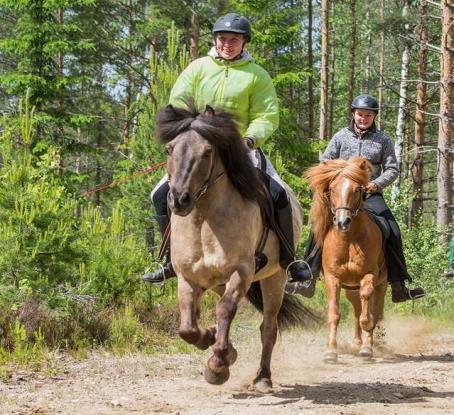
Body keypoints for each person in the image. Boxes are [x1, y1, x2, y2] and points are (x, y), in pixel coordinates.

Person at [142, 13, 310, 283]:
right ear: (215, 40)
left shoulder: (257, 75)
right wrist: (189, 133)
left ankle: (290, 259)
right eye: (222, 39)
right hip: (198, 148)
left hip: (241, 149)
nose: (227, 44)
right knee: (159, 194)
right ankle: (168, 259)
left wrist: (250, 139)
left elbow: (267, 115)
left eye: (234, 39)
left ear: (244, 42)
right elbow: (178, 102)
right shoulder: (198, 69)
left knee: (278, 194)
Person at [285, 94, 426, 303]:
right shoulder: (341, 137)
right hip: (342, 195)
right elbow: (325, 161)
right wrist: (338, 177)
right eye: (360, 114)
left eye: (368, 115)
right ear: (353, 114)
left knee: (392, 229)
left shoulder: (383, 139)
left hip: (370, 195)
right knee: (319, 226)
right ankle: (308, 278)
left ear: (374, 117)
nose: (363, 118)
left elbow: (393, 169)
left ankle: (399, 285)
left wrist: (375, 184)